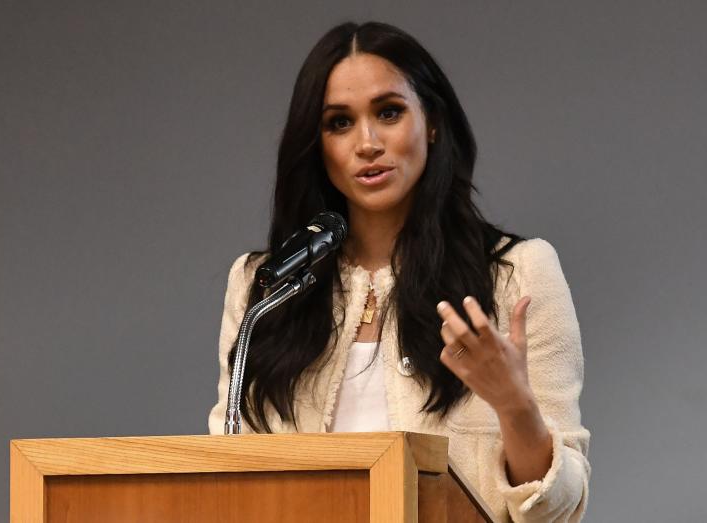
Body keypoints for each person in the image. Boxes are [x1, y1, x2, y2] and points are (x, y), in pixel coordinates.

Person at [208, 21, 590, 522]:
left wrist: (514, 406)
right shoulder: (265, 285)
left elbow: (560, 510)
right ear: (316, 145)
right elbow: (222, 476)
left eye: (389, 113)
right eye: (339, 123)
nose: (367, 143)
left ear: (431, 121)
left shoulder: (518, 274)